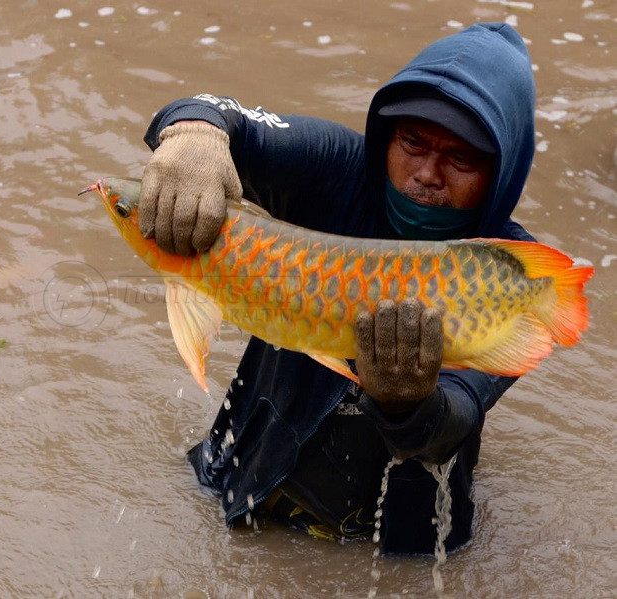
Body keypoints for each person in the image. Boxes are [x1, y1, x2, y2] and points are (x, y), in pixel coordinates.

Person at [138, 23, 536, 554]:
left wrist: (408, 402)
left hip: (392, 548)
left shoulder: (512, 271)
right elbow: (223, 115)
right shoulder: (339, 168)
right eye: (412, 144)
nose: (427, 174)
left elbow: (458, 415)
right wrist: (195, 133)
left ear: (503, 172)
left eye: (460, 159)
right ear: (386, 138)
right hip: (246, 483)